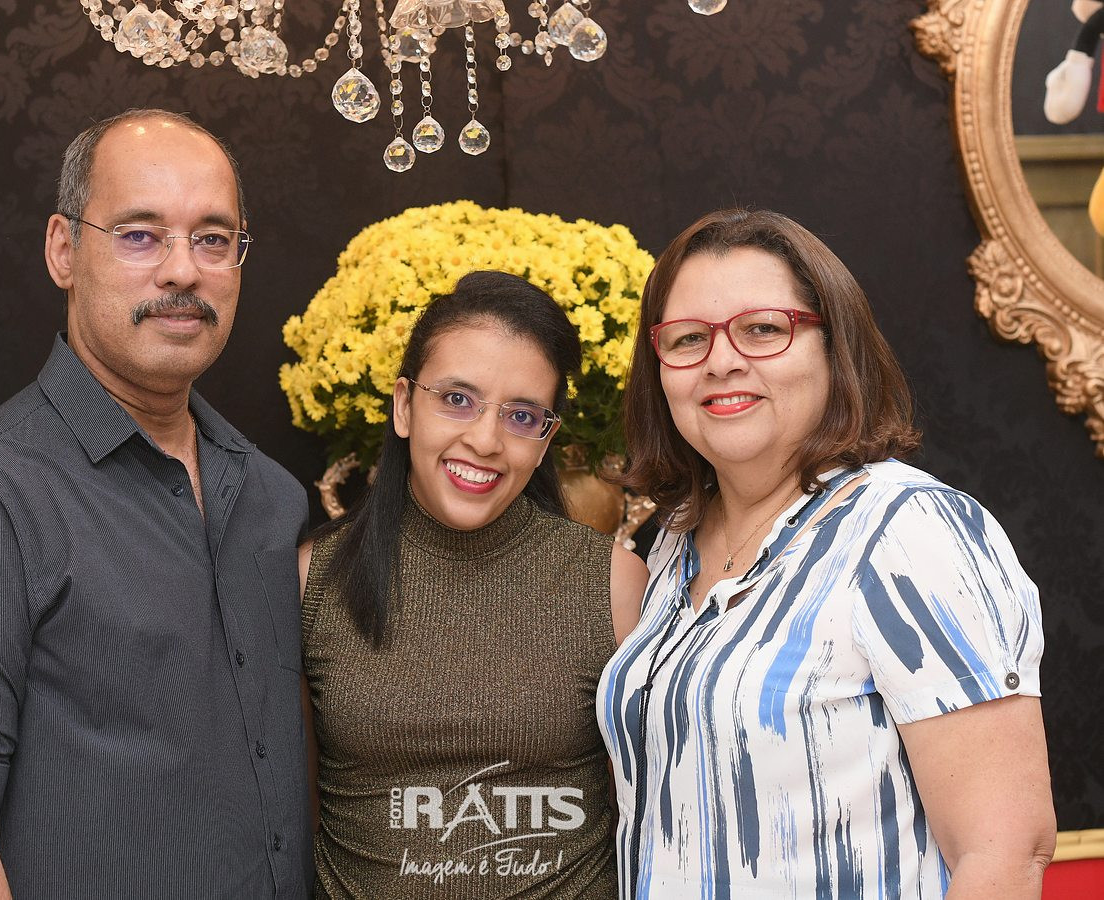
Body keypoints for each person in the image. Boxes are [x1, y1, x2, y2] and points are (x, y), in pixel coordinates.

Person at [0, 109, 312, 898]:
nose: (183, 271)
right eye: (140, 235)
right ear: (63, 250)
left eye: (213, 239)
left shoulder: (271, 497)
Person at [598, 209, 1056, 898]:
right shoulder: (673, 542)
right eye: (688, 338)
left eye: (763, 329)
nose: (721, 361)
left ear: (834, 347)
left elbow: (1004, 853)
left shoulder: (906, 530)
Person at [299, 270, 649, 898]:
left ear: (546, 440)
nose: (485, 440)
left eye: (522, 416)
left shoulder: (612, 583)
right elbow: (285, 807)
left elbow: (647, 815)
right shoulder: (314, 579)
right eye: (457, 399)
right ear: (404, 406)